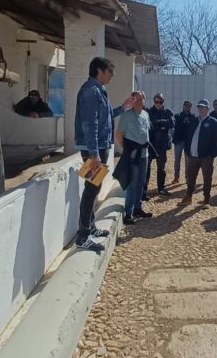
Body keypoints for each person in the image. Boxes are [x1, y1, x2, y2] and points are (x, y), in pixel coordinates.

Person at [74, 57, 133, 253]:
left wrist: (122, 108)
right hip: (94, 149)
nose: (112, 75)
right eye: (110, 71)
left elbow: (104, 118)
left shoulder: (99, 91)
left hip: (99, 147)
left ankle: (90, 227)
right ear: (99, 71)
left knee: (95, 188)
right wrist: (94, 153)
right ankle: (83, 236)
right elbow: (90, 125)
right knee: (91, 190)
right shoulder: (90, 92)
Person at [114, 91, 153, 225]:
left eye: (141, 99)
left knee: (142, 182)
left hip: (144, 155)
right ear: (132, 100)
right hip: (132, 155)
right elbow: (119, 135)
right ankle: (129, 213)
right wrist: (126, 150)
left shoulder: (146, 114)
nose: (139, 101)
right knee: (132, 184)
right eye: (135, 99)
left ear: (144, 100)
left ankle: (138, 208)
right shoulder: (126, 116)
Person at [181, 99, 217, 206]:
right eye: (199, 107)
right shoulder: (194, 120)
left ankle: (206, 200)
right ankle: (188, 196)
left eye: (203, 107)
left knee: (207, 178)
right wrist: (187, 150)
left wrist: (212, 155)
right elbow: (188, 136)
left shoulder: (214, 122)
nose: (201, 109)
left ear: (208, 109)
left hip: (206, 157)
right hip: (193, 155)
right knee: (191, 177)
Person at [145, 93, 175, 196]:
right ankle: (144, 190)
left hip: (162, 146)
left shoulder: (168, 112)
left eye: (160, 102)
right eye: (156, 102)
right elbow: (148, 125)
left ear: (163, 102)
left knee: (161, 169)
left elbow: (172, 123)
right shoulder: (148, 112)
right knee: (147, 168)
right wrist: (162, 124)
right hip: (150, 145)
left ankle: (161, 188)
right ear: (154, 101)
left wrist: (159, 123)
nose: (158, 104)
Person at [171, 101, 197, 183]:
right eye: (186, 105)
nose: (187, 107)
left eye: (189, 106)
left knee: (188, 161)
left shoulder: (193, 117)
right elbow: (173, 127)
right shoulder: (178, 116)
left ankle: (187, 177)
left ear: (191, 107)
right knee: (177, 159)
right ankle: (176, 176)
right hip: (178, 141)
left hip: (188, 142)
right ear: (183, 106)